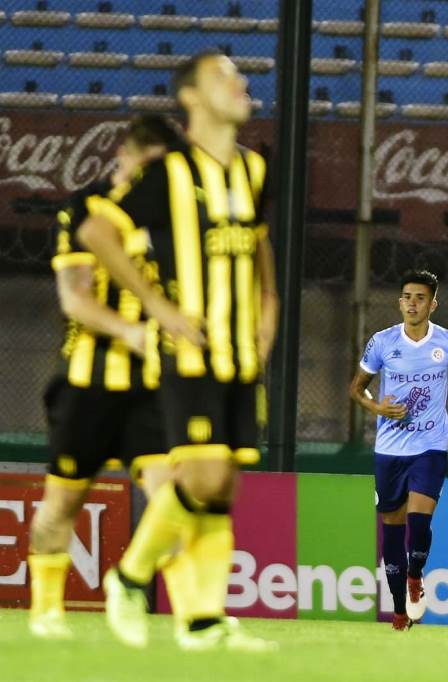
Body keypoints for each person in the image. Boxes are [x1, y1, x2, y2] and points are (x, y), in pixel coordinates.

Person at [78, 49, 278, 651]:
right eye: (223, 75)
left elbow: (262, 259)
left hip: (241, 356)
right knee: (206, 473)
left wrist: (266, 325)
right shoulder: (168, 174)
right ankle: (130, 576)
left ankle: (202, 623)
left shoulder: (255, 170)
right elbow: (97, 232)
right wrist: (161, 308)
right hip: (189, 358)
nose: (241, 81)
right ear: (190, 97)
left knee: (222, 488)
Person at [28, 115, 184, 640]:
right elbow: (75, 298)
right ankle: (47, 613)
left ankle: (168, 605)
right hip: (87, 383)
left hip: (151, 388)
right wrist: (132, 330)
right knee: (63, 502)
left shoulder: (174, 222)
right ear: (127, 156)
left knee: (173, 500)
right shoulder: (84, 208)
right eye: (152, 167)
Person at [349, 269, 448, 631]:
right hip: (390, 449)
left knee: (420, 523)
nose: (412, 304)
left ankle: (415, 575)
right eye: (406, 297)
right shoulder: (383, 343)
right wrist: (377, 408)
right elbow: (357, 388)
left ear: (433, 303)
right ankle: (399, 610)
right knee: (391, 528)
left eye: (420, 298)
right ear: (399, 301)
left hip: (430, 445)